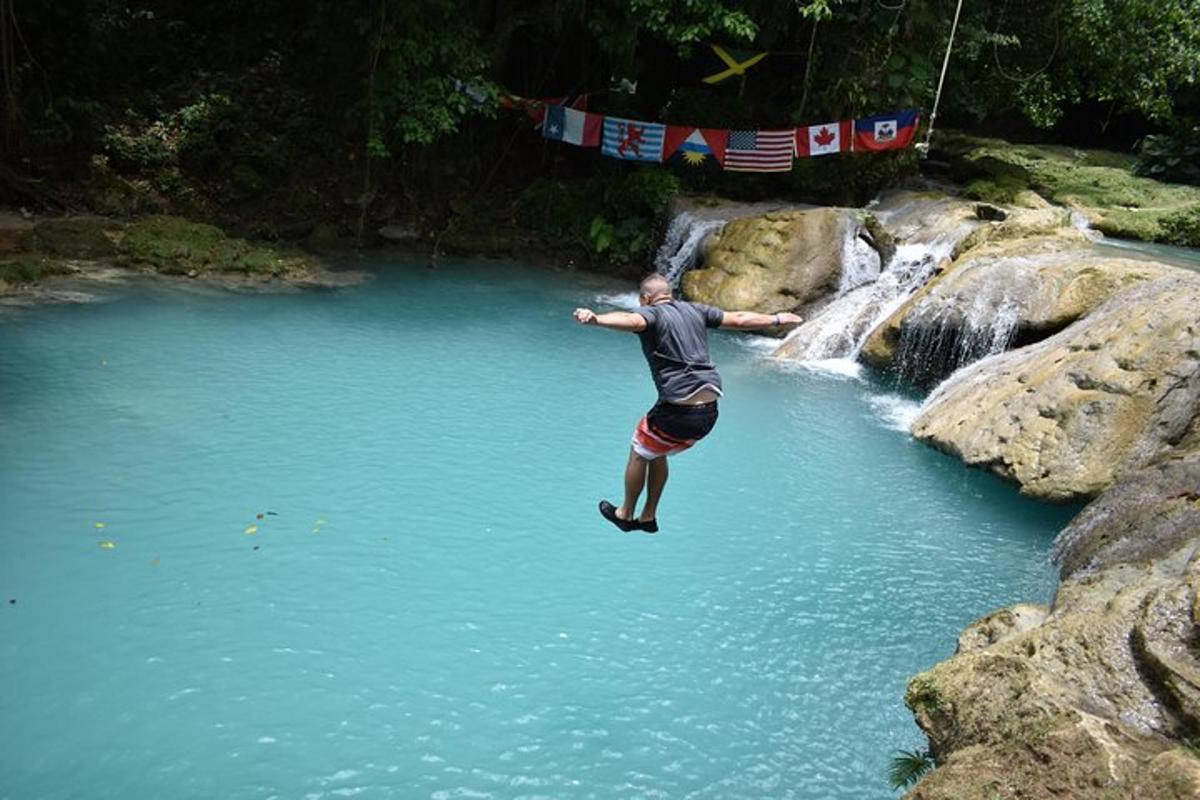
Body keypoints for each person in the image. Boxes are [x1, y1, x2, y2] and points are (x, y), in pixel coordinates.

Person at [573, 273, 802, 533]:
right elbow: (738, 318)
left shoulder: (651, 314)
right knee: (657, 451)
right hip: (709, 413)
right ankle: (648, 517)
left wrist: (596, 319)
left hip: (677, 411)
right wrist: (777, 318)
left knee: (639, 451)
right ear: (670, 294)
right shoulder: (695, 310)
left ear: (646, 299)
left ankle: (625, 514)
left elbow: (631, 319)